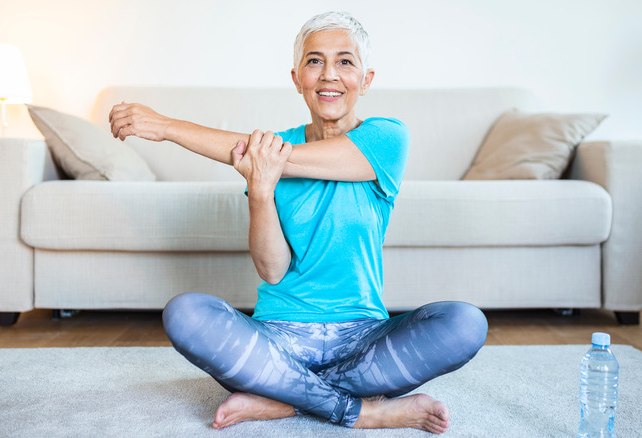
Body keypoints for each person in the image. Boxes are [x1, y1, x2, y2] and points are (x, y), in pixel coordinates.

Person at [108, 11, 487, 434]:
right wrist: (261, 190)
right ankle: (360, 411)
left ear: (366, 79)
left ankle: (284, 399)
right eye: (314, 61)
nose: (329, 75)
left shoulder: (387, 137)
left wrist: (165, 126)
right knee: (186, 313)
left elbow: (269, 155)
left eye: (345, 61)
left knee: (465, 322)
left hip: (363, 337)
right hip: (278, 339)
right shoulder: (271, 151)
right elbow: (272, 269)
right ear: (297, 77)